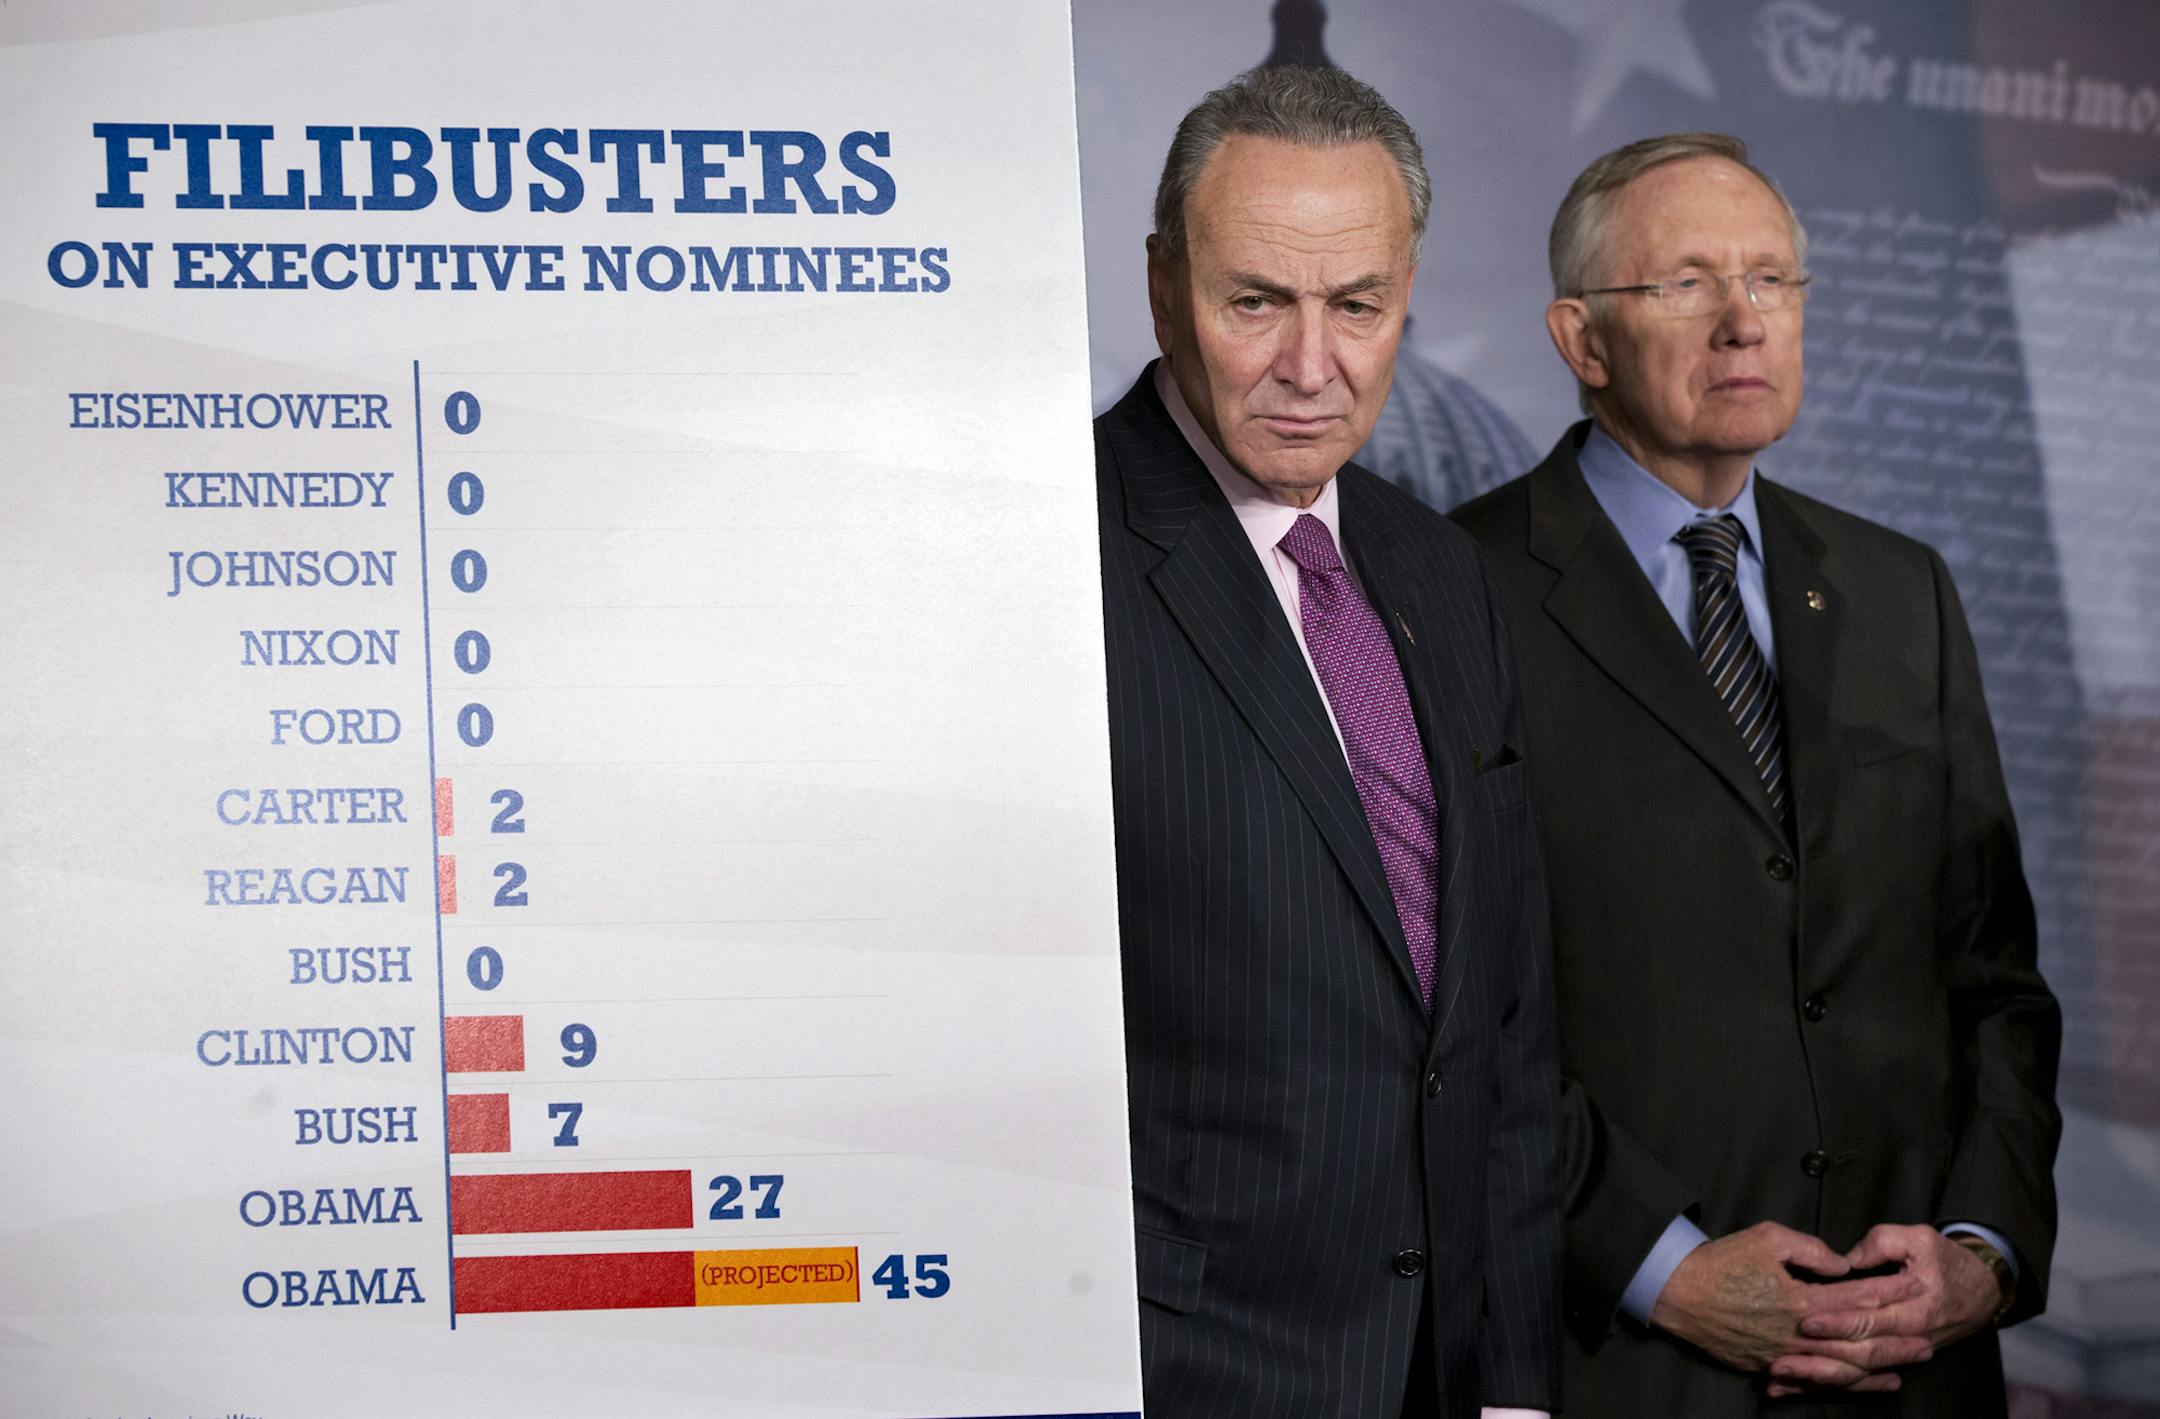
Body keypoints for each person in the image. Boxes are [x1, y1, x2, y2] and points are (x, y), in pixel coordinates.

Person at [1452, 132, 2062, 1416]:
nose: (1743, 323)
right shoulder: (1452, 595)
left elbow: (1995, 983)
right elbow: (1453, 1028)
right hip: (1625, 1366)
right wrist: (1658, 1268)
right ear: (1580, 339)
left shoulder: (1904, 594)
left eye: (1773, 281)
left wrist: (1982, 1255)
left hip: (1913, 1368)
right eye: (1684, 284)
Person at [1096, 66, 1562, 1418]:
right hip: (1187, 1371)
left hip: (1454, 1371)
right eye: (1256, 302)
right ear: (1162, 283)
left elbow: (1509, 1019)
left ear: (1407, 291)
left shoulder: (1445, 570)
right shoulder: (1052, 560)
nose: (1313, 366)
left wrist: (1516, 1381)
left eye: (1357, 306)